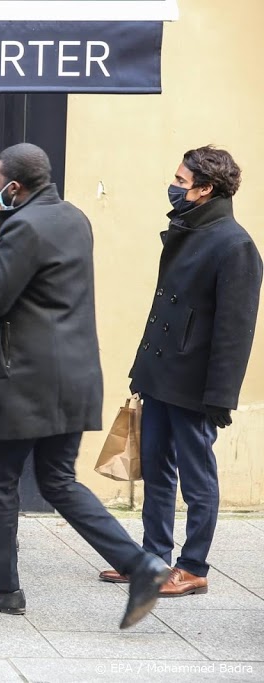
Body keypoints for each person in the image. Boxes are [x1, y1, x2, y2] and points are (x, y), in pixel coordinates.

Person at [0, 143, 169, 630]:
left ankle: (2, 590)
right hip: (73, 378)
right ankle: (141, 565)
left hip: (23, 382)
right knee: (58, 480)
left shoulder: (24, 227)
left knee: (3, 481)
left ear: (14, 187)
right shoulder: (74, 218)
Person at [99, 146, 262, 596]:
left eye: (180, 179)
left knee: (197, 478)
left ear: (206, 188)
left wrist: (219, 398)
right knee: (155, 468)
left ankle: (192, 567)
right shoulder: (187, 229)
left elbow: (235, 332)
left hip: (194, 385)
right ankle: (153, 560)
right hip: (161, 376)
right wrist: (141, 370)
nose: (173, 186)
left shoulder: (235, 245)